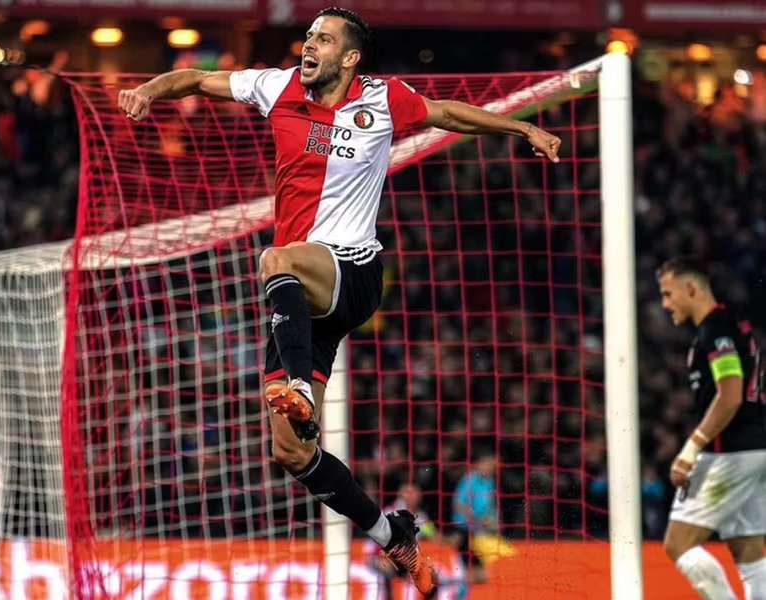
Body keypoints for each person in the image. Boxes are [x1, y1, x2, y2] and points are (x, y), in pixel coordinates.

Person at [119, 7, 561, 595]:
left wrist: (522, 129)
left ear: (350, 58)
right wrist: (149, 89)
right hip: (302, 300)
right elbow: (198, 80)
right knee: (290, 453)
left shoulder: (382, 97)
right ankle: (392, 534)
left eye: (323, 39)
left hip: (351, 273)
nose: (309, 45)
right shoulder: (276, 86)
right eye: (308, 36)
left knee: (274, 257)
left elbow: (448, 112)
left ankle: (298, 387)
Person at [657, 258, 766, 600]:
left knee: (678, 543)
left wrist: (692, 448)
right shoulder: (735, 325)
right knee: (748, 549)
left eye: (668, 293)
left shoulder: (715, 330)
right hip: (755, 448)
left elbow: (730, 393)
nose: (665, 304)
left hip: (728, 453)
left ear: (691, 288)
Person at [452, 451, 499, 585]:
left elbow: (489, 506)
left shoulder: (490, 482)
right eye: (487, 464)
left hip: (479, 532)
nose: (490, 467)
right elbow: (459, 504)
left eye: (492, 465)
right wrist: (476, 519)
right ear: (478, 464)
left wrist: (490, 520)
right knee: (471, 576)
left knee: (483, 577)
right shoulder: (469, 480)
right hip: (463, 530)